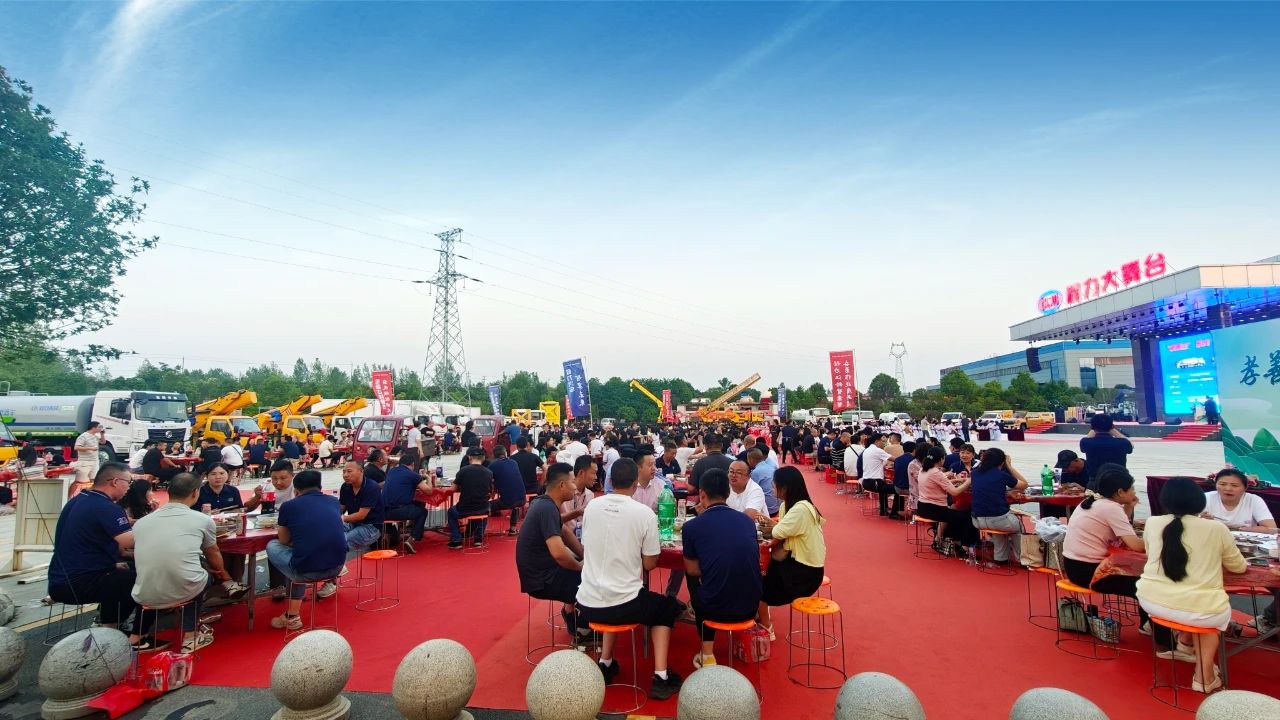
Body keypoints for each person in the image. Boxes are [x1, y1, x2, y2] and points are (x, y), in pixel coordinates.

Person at [575, 453, 683, 700]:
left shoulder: (592, 507)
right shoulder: (644, 514)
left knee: (614, 592)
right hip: (624, 604)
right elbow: (650, 564)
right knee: (666, 608)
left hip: (587, 602)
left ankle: (605, 662)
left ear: (610, 481)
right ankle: (661, 676)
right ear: (635, 483)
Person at [1137, 477, 1249, 694]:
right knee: (1206, 614)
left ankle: (1185, 644)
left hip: (1152, 601)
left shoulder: (1152, 522)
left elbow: (1151, 554)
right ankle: (1204, 677)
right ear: (1199, 501)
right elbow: (1238, 567)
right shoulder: (1216, 528)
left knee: (1197, 606)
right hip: (1198, 610)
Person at [1060, 464, 1170, 647]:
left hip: (1074, 566)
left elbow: (1119, 531)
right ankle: (1165, 641)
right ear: (1120, 492)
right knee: (1147, 585)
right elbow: (1135, 545)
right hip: (1090, 572)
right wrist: (1163, 541)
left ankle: (1148, 625)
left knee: (1142, 579)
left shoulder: (1093, 502)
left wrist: (1128, 506)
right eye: (1131, 488)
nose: (1134, 492)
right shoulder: (1110, 508)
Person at [132, 472, 236, 651]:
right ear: (195, 493)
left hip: (143, 592)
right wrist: (224, 574)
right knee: (201, 575)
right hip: (184, 587)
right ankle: (190, 635)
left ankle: (137, 637)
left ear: (168, 491)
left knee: (175, 569)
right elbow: (213, 553)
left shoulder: (142, 522)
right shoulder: (202, 520)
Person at [48, 463, 141, 639]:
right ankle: (111, 629)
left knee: (127, 569)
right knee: (142, 578)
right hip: (81, 582)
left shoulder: (79, 500)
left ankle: (107, 622)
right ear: (115, 481)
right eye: (128, 483)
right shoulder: (106, 507)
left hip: (60, 578)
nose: (129, 488)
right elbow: (130, 541)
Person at [682, 468, 763, 668]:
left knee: (695, 579)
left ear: (702, 494)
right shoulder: (746, 522)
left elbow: (693, 570)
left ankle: (707, 653)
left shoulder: (691, 527)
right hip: (750, 608)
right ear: (728, 493)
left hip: (713, 609)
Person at [266, 470, 349, 630]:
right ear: (320, 487)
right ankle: (292, 615)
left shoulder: (289, 506)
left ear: (296, 490)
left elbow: (283, 540)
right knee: (302, 552)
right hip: (337, 567)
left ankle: (292, 616)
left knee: (273, 546)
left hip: (306, 570)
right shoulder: (333, 501)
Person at [516, 462, 588, 638]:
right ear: (562, 485)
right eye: (572, 482)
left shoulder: (544, 503)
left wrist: (584, 555)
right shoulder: (547, 508)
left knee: (588, 572)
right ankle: (583, 627)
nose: (575, 488)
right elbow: (559, 554)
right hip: (542, 580)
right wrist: (582, 567)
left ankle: (573, 616)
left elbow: (565, 531)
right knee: (594, 582)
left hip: (542, 573)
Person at [755, 466, 825, 640]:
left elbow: (777, 532)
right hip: (795, 563)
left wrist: (772, 526)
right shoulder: (788, 506)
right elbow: (781, 531)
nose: (772, 488)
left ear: (785, 488)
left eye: (774, 485)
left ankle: (766, 629)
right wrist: (774, 527)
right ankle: (758, 615)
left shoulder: (801, 509)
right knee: (759, 576)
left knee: (758, 587)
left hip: (805, 572)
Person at [968, 448, 1028, 564]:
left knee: (999, 524)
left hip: (977, 520)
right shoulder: (1001, 475)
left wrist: (1006, 493)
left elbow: (987, 489)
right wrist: (1009, 466)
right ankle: (1023, 559)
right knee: (1016, 526)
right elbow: (1024, 485)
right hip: (998, 520)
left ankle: (1000, 558)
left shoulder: (974, 473)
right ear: (1001, 462)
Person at [915, 446, 972, 553]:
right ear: (941, 459)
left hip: (923, 506)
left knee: (955, 511)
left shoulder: (923, 469)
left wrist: (956, 481)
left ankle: (943, 539)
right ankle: (963, 547)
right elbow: (955, 492)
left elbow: (938, 482)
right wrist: (969, 481)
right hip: (935, 509)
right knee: (967, 517)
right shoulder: (936, 473)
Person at [382, 454, 432, 553]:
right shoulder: (413, 475)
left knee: (417, 504)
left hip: (383, 511)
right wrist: (428, 478)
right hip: (398, 510)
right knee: (422, 512)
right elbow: (429, 491)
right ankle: (412, 538)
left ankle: (390, 535)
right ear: (412, 464)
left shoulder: (391, 472)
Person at [1202, 468, 1276, 532]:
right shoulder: (1206, 498)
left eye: (1235, 485)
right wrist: (1200, 520)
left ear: (1245, 487)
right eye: (1222, 484)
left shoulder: (1254, 500)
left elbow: (1272, 529)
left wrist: (1240, 529)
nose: (1228, 489)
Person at [448, 447, 494, 549]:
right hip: (482, 508)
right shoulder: (489, 472)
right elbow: (490, 491)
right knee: (483, 510)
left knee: (451, 512)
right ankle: (478, 538)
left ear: (469, 457)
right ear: (483, 458)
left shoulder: (463, 471)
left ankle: (456, 540)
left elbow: (452, 489)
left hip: (465, 508)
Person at [1079, 414, 1133, 486]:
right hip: (1119, 482)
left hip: (1096, 481)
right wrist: (1112, 429)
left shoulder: (1086, 442)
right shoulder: (1123, 443)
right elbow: (1130, 446)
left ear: (1091, 427)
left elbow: (1086, 440)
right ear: (1112, 426)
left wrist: (1094, 428)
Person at [490, 445, 527, 535]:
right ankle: (513, 529)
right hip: (522, 498)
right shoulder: (514, 462)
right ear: (505, 453)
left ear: (494, 455)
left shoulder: (492, 465)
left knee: (483, 506)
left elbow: (490, 481)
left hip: (507, 501)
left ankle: (478, 533)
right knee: (515, 502)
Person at [197, 463, 263, 513]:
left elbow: (240, 509)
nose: (218, 477)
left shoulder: (233, 490)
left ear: (227, 475)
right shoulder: (199, 491)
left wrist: (225, 513)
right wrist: (207, 514)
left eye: (222, 473)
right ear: (207, 476)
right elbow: (193, 512)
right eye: (213, 474)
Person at [861, 433, 895, 517]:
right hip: (874, 482)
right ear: (877, 441)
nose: (884, 443)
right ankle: (895, 512)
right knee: (898, 489)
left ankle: (883, 510)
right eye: (882, 441)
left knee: (884, 486)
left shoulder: (867, 450)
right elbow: (894, 459)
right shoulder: (877, 450)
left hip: (866, 481)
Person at [562, 455, 596, 537]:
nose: (596, 477)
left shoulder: (590, 495)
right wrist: (577, 512)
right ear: (581, 473)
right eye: (594, 473)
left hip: (583, 538)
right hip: (565, 538)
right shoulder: (563, 492)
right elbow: (552, 519)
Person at [745, 448, 780, 516]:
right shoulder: (770, 467)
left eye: (747, 459)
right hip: (777, 506)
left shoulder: (755, 472)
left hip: (769, 509)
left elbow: (749, 490)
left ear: (751, 459)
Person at [72, 421, 105, 488]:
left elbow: (103, 442)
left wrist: (102, 434)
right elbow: (76, 447)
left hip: (95, 461)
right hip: (85, 461)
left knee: (94, 479)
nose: (100, 428)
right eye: (99, 427)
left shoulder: (95, 436)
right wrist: (90, 448)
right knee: (81, 480)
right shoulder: (83, 436)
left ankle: (91, 490)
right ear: (93, 427)